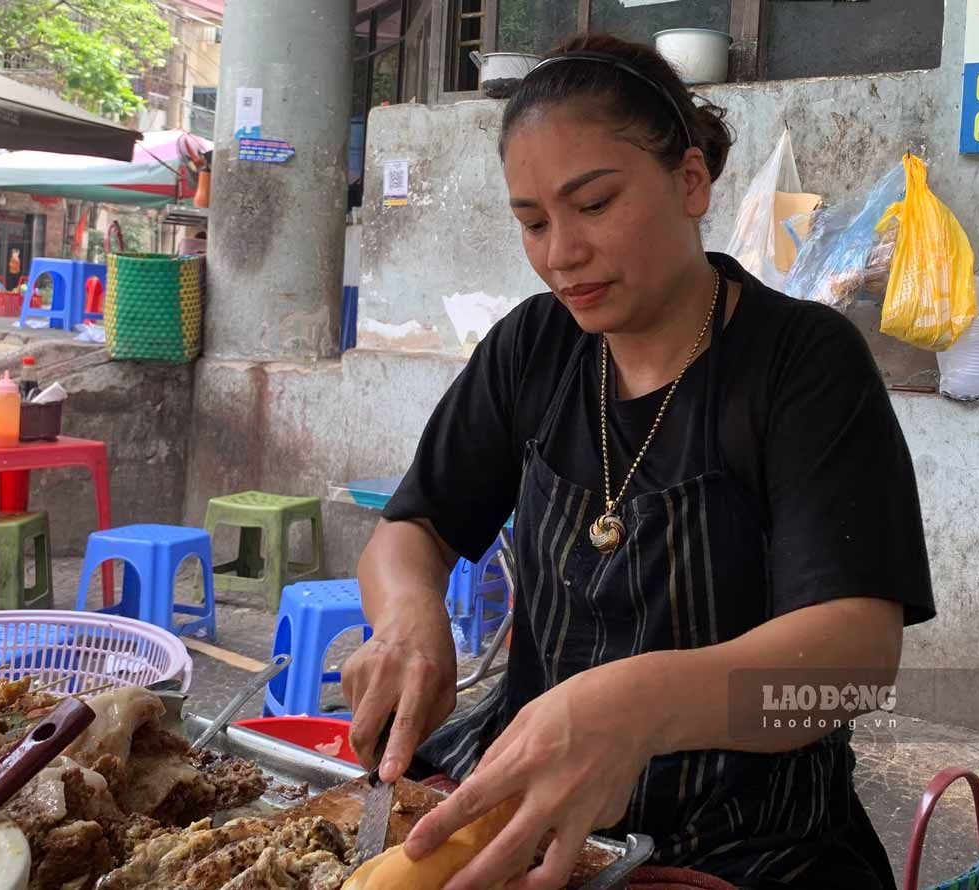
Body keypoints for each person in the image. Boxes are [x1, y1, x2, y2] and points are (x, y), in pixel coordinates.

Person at [342, 32, 935, 890]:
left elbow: (850, 664)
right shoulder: (534, 347)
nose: (561, 254)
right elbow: (415, 528)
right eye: (534, 222)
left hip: (753, 844)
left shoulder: (799, 362)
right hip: (537, 826)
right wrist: (405, 619)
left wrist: (631, 709)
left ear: (690, 182)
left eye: (594, 203)